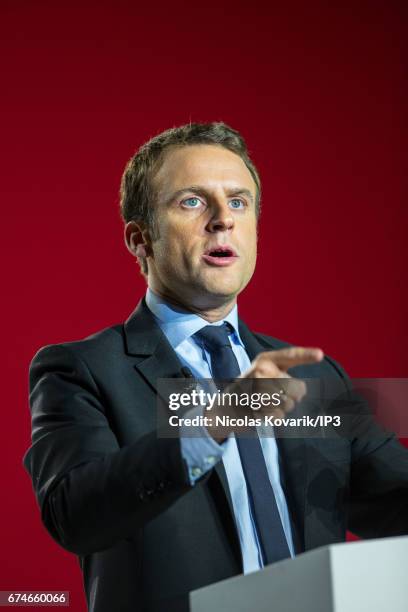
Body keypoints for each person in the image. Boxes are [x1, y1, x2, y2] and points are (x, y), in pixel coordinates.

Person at [23, 122, 408, 612]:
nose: (223, 219)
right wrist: (213, 425)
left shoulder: (314, 375)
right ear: (141, 239)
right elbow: (75, 515)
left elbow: (394, 496)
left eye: (239, 202)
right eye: (192, 201)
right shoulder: (80, 370)